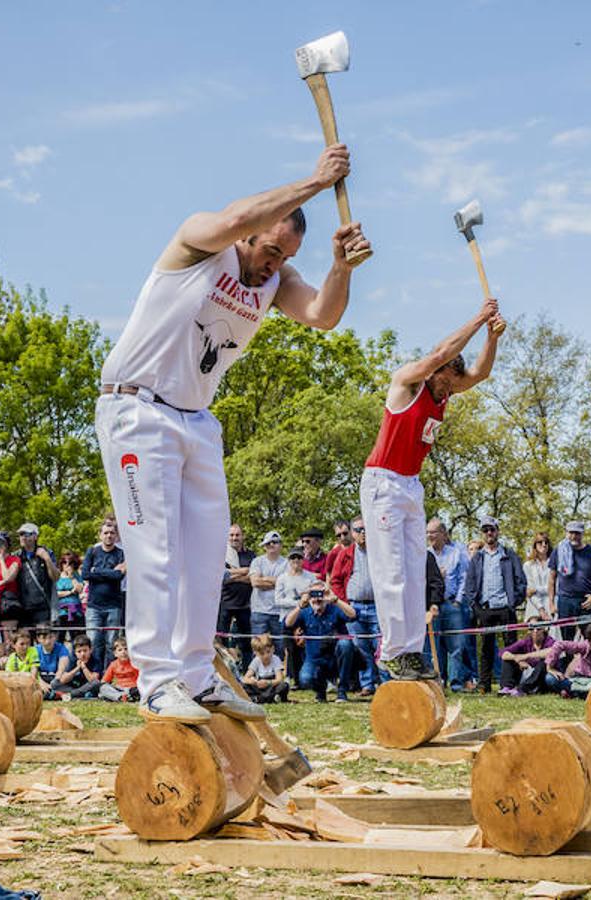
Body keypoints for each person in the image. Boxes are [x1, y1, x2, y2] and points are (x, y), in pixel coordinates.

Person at [93, 143, 370, 724]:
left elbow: (323, 314)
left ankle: (197, 676)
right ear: (251, 233)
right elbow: (234, 220)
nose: (272, 266)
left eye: (285, 256)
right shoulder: (200, 240)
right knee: (156, 551)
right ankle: (156, 679)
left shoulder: (275, 280)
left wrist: (340, 265)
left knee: (204, 558)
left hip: (197, 420)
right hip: (138, 410)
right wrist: (318, 182)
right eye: (270, 250)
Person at [359, 302, 502, 683]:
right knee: (390, 572)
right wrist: (479, 318)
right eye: (444, 382)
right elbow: (441, 354)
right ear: (435, 371)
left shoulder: (446, 391)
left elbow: (480, 374)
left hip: (411, 484)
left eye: (451, 385)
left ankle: (411, 651)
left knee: (413, 573)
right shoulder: (408, 381)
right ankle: (391, 652)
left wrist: (493, 336)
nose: (448, 391)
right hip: (384, 481)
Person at [460, 516, 527, 693]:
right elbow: (470, 585)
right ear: (482, 534)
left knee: (511, 646)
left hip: (505, 607)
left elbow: (521, 581)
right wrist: (475, 607)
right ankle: (484, 684)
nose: (489, 533)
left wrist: (513, 602)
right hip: (485, 608)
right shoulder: (477, 558)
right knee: (486, 648)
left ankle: (509, 683)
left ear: (497, 531)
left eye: (492, 529)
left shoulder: (508, 554)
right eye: (485, 530)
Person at [329, 517, 381, 696]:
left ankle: (383, 682)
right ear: (352, 533)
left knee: (379, 645)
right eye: (358, 530)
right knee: (360, 645)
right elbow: (335, 580)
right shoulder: (345, 554)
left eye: (365, 529)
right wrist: (344, 603)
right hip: (354, 607)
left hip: (377, 606)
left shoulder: (380, 552)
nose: (362, 533)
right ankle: (367, 684)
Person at [285, 580, 357, 703]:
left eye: (321, 594)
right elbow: (288, 623)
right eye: (313, 594)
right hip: (314, 659)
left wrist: (335, 600)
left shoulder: (334, 608)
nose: (317, 599)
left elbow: (352, 615)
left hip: (335, 657)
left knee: (346, 643)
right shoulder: (305, 611)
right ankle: (320, 691)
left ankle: (342, 691)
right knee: (305, 679)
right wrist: (300, 605)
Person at [427, 519, 473, 692]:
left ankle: (456, 683)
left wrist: (458, 601)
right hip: (433, 607)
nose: (430, 536)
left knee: (457, 645)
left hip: (452, 604)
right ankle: (438, 682)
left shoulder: (456, 553)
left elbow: (464, 578)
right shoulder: (424, 555)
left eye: (433, 532)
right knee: (435, 647)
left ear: (443, 534)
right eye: (428, 533)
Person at [81, 519, 126, 669]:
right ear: (100, 535)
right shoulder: (92, 551)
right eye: (106, 533)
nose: (109, 536)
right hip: (94, 606)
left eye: (112, 533)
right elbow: (85, 575)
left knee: (111, 644)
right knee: (93, 642)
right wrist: (111, 572)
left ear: (116, 536)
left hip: (113, 605)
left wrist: (97, 572)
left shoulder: (121, 554)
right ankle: (95, 675)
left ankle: (108, 676)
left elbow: (119, 576)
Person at [547, 522, 591, 636]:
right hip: (565, 600)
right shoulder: (559, 550)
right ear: (566, 533)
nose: (573, 536)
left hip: (586, 601)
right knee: (567, 638)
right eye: (571, 533)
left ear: (582, 534)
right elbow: (552, 578)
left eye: (577, 533)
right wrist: (552, 604)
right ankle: (569, 655)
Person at [218, 524, 256, 674]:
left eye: (237, 535)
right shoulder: (221, 555)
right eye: (231, 535)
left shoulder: (251, 556)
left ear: (243, 536)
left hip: (245, 604)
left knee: (246, 643)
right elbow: (221, 578)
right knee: (221, 641)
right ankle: (222, 673)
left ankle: (247, 673)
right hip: (225, 603)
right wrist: (244, 572)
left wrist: (231, 573)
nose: (234, 538)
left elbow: (252, 578)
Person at [544, 622, 591, 698]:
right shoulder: (584, 646)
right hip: (579, 680)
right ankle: (574, 692)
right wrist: (549, 667)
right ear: (590, 642)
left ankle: (573, 693)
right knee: (550, 678)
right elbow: (559, 644)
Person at [274, 545, 314, 680]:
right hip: (286, 618)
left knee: (305, 647)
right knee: (290, 648)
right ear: (288, 560)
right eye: (293, 558)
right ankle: (291, 677)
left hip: (306, 618)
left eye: (299, 557)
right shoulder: (282, 578)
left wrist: (307, 601)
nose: (296, 560)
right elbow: (278, 600)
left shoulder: (310, 577)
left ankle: (307, 676)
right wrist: (297, 603)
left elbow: (315, 596)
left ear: (303, 559)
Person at [13, 524, 59, 631]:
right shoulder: (16, 556)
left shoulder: (47, 552)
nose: (22, 537)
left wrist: (47, 559)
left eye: (26, 534)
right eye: (20, 534)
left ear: (35, 536)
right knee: (26, 642)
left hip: (42, 607)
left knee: (43, 638)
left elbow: (55, 577)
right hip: (23, 607)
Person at [496, 618, 557, 695]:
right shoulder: (525, 641)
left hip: (543, 676)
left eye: (538, 628)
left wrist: (525, 657)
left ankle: (523, 689)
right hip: (527, 672)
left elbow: (552, 651)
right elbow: (503, 653)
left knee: (543, 663)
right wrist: (517, 659)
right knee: (508, 660)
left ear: (544, 629)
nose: (535, 631)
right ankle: (506, 688)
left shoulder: (550, 641)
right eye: (531, 628)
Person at [249, 531, 289, 644]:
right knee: (258, 647)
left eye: (275, 542)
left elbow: (286, 584)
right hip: (259, 611)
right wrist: (276, 582)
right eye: (268, 543)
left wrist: (264, 578)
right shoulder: (257, 561)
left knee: (280, 649)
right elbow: (255, 582)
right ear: (264, 546)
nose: (271, 545)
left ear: (281, 545)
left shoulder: (286, 563)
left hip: (279, 612)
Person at [242, 633, 290, 704]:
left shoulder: (275, 659)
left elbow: (279, 679)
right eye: (262, 653)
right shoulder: (256, 660)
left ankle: (260, 698)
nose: (266, 656)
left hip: (271, 685)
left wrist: (268, 683)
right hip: (259, 686)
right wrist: (253, 681)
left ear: (273, 649)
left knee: (284, 686)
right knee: (243, 686)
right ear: (256, 653)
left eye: (268, 652)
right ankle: (271, 698)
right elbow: (245, 679)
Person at [50, 636, 101, 700]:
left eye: (85, 651)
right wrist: (77, 668)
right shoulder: (72, 659)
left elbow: (93, 680)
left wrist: (84, 667)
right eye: (79, 651)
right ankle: (78, 695)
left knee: (96, 683)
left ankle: (70, 695)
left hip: (86, 686)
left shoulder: (95, 660)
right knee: (54, 683)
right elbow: (63, 679)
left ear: (90, 650)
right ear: (75, 653)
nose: (82, 654)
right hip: (73, 687)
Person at [54, 552, 85, 643]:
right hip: (61, 611)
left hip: (75, 611)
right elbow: (56, 593)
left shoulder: (76, 576)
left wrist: (71, 577)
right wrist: (70, 592)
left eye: (70, 563)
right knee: (60, 637)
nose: (67, 565)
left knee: (77, 638)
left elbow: (80, 589)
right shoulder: (57, 576)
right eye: (64, 562)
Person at [523, 532, 553, 623]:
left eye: (546, 542)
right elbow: (529, 592)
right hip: (534, 606)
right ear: (535, 545)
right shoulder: (528, 565)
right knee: (535, 634)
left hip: (551, 604)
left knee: (554, 635)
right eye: (540, 542)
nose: (543, 545)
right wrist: (541, 609)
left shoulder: (554, 564)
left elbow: (555, 588)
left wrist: (536, 589)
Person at [100, 637, 140, 702]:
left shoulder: (135, 663)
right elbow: (104, 681)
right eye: (120, 650)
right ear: (115, 654)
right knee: (103, 688)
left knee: (140, 689)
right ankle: (121, 697)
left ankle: (118, 697)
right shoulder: (113, 664)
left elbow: (142, 679)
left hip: (132, 689)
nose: (123, 652)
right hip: (119, 688)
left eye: (126, 649)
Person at [36, 628, 72, 696]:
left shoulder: (61, 648)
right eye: (44, 638)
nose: (48, 641)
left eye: (50, 637)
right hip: (41, 681)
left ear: (55, 637)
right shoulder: (35, 650)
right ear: (38, 639)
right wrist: (42, 684)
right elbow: (33, 672)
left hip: (56, 681)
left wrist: (52, 684)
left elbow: (61, 669)